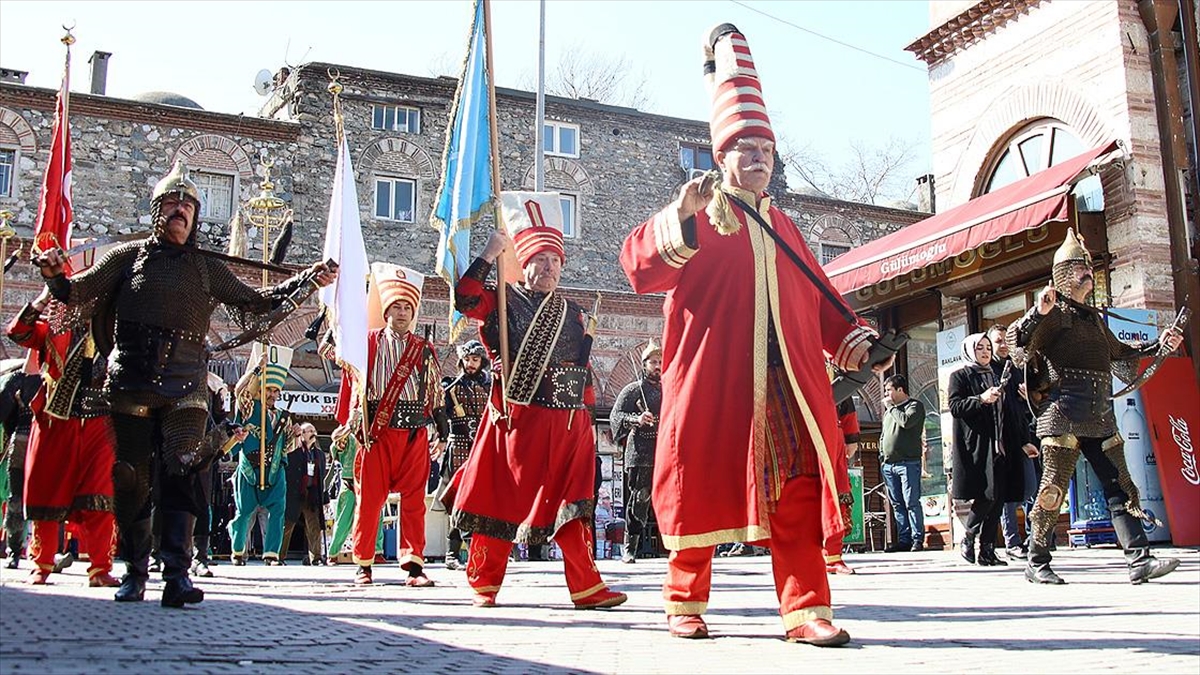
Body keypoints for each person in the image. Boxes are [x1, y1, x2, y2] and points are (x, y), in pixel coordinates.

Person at [619, 24, 887, 646]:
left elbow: (825, 302)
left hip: (787, 380)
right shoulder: (701, 218)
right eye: (745, 148)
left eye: (766, 149)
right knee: (700, 480)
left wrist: (858, 341)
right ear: (721, 156)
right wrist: (679, 216)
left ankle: (806, 610)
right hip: (714, 378)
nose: (758, 157)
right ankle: (684, 601)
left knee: (796, 488)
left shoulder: (788, 229)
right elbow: (637, 268)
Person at [30, 160, 337, 606]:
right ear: (157, 210)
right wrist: (55, 274)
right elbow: (77, 293)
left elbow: (257, 301)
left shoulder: (205, 268)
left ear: (195, 216)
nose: (180, 210)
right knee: (130, 477)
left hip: (186, 386)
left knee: (185, 470)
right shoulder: (126, 258)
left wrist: (310, 280)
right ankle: (135, 573)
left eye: (188, 205)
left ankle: (176, 574)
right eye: (172, 203)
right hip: (130, 379)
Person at [447, 192, 626, 611]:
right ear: (523, 264)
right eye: (540, 260)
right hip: (516, 416)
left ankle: (587, 587)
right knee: (500, 500)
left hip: (567, 424)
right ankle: (484, 585)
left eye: (555, 261)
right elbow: (465, 298)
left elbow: (581, 369)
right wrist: (489, 254)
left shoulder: (574, 312)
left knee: (574, 504)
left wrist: (585, 416)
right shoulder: (501, 301)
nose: (548, 268)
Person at [1008, 228, 1184, 585]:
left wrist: (1160, 345)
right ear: (1062, 274)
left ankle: (1139, 559)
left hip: (1100, 415)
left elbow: (1121, 354)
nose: (1087, 273)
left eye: (1088, 267)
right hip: (1063, 413)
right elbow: (1018, 341)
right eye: (1079, 268)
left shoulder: (1093, 319)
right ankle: (1037, 560)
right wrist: (1037, 313)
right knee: (1053, 488)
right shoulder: (1054, 312)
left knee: (1120, 485)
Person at [335, 263, 445, 587]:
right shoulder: (368, 342)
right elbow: (355, 383)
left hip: (413, 434)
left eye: (407, 307)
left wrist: (441, 428)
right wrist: (353, 422)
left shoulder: (424, 350)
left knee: (414, 502)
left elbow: (435, 391)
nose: (402, 312)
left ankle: (413, 565)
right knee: (369, 499)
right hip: (377, 434)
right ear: (386, 311)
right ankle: (364, 564)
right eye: (396, 306)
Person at [5, 286, 120, 587]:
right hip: (56, 419)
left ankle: (100, 569)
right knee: (47, 493)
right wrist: (42, 299)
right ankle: (41, 565)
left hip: (100, 420)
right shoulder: (54, 328)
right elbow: (18, 333)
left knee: (102, 496)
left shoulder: (116, 330)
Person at [948, 334, 1034, 567]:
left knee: (999, 497)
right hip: (978, 445)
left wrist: (1024, 440)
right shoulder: (960, 375)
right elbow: (955, 406)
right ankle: (969, 536)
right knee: (986, 495)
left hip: (1002, 445)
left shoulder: (996, 375)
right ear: (969, 350)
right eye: (980, 348)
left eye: (987, 348)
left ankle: (987, 550)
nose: (985, 352)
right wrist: (981, 399)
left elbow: (1011, 412)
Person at [226, 353, 292, 566]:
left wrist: (295, 436)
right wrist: (257, 368)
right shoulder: (249, 408)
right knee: (244, 511)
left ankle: (272, 553)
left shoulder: (284, 416)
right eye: (269, 390)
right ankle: (237, 550)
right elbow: (240, 392)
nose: (273, 394)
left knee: (278, 511)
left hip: (275, 469)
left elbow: (287, 447)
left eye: (276, 391)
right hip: (249, 468)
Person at [437, 340, 492, 570]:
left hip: (481, 446)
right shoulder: (451, 386)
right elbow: (438, 411)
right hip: (458, 445)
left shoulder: (489, 386)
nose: (470, 364)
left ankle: (482, 550)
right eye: (467, 359)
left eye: (475, 360)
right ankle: (453, 553)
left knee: (482, 500)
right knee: (458, 500)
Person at [987, 324, 1040, 561]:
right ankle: (1012, 541)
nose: (1003, 345)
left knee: (1030, 487)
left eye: (1006, 340)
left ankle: (1033, 537)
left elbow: (1030, 403)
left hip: (1022, 434)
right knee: (1008, 493)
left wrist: (1028, 396)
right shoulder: (989, 371)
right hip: (1001, 439)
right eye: (998, 341)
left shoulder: (1017, 368)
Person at [609, 341, 662, 563]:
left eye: (659, 362)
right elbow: (616, 416)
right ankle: (630, 547)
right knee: (640, 498)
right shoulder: (632, 390)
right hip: (641, 450)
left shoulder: (670, 388)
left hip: (665, 450)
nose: (657, 366)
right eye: (653, 362)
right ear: (644, 364)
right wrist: (636, 419)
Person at [879, 374, 926, 553]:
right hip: (889, 465)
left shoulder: (914, 406)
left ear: (900, 390)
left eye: (889, 390)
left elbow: (906, 422)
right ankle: (904, 539)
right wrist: (882, 455)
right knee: (897, 503)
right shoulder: (889, 412)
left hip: (908, 463)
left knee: (911, 501)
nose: (886, 394)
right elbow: (885, 434)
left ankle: (917, 539)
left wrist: (891, 407)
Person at [325, 425, 385, 564]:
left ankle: (377, 552)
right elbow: (336, 441)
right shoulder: (349, 435)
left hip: (370, 481)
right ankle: (333, 553)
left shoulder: (375, 434)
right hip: (350, 482)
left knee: (377, 517)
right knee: (344, 519)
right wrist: (350, 426)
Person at [0, 365, 39, 569]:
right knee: (18, 498)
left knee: (44, 499)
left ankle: (38, 555)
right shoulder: (18, 378)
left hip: (35, 440)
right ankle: (16, 551)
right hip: (28, 441)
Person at [281, 422, 328, 566]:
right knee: (287, 526)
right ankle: (279, 556)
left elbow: (322, 478)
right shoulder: (294, 452)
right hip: (295, 493)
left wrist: (324, 498)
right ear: (302, 434)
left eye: (314, 430)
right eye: (309, 431)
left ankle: (316, 557)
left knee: (314, 526)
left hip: (312, 494)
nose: (313, 433)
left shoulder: (319, 454)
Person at [824, 395, 861, 575]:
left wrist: (851, 437)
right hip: (802, 434)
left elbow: (846, 401)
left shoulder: (833, 369)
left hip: (833, 438)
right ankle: (809, 557)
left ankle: (832, 555)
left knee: (836, 497)